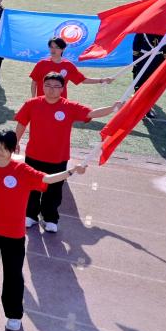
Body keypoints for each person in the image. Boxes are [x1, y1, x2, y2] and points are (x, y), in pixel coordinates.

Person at [0, 129, 85, 331]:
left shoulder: (22, 170)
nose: (0, 151)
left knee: (13, 275)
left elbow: (47, 179)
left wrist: (71, 171)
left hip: (13, 234)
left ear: (13, 149)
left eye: (5, 147)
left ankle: (14, 315)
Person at [14, 73, 121, 232]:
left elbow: (91, 113)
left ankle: (50, 218)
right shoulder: (32, 104)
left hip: (58, 157)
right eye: (48, 85)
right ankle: (30, 215)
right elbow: (22, 123)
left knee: (54, 190)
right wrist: (16, 141)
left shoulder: (69, 106)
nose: (51, 89)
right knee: (32, 187)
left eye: (56, 86)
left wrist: (112, 108)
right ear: (43, 86)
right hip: (34, 155)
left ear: (62, 89)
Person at [28, 37, 109, 97]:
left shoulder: (68, 66)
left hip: (60, 104)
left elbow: (83, 80)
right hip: (42, 102)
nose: (53, 50)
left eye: (57, 47)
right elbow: (34, 82)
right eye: (51, 47)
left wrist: (101, 80)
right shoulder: (41, 64)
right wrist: (33, 98)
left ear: (63, 49)